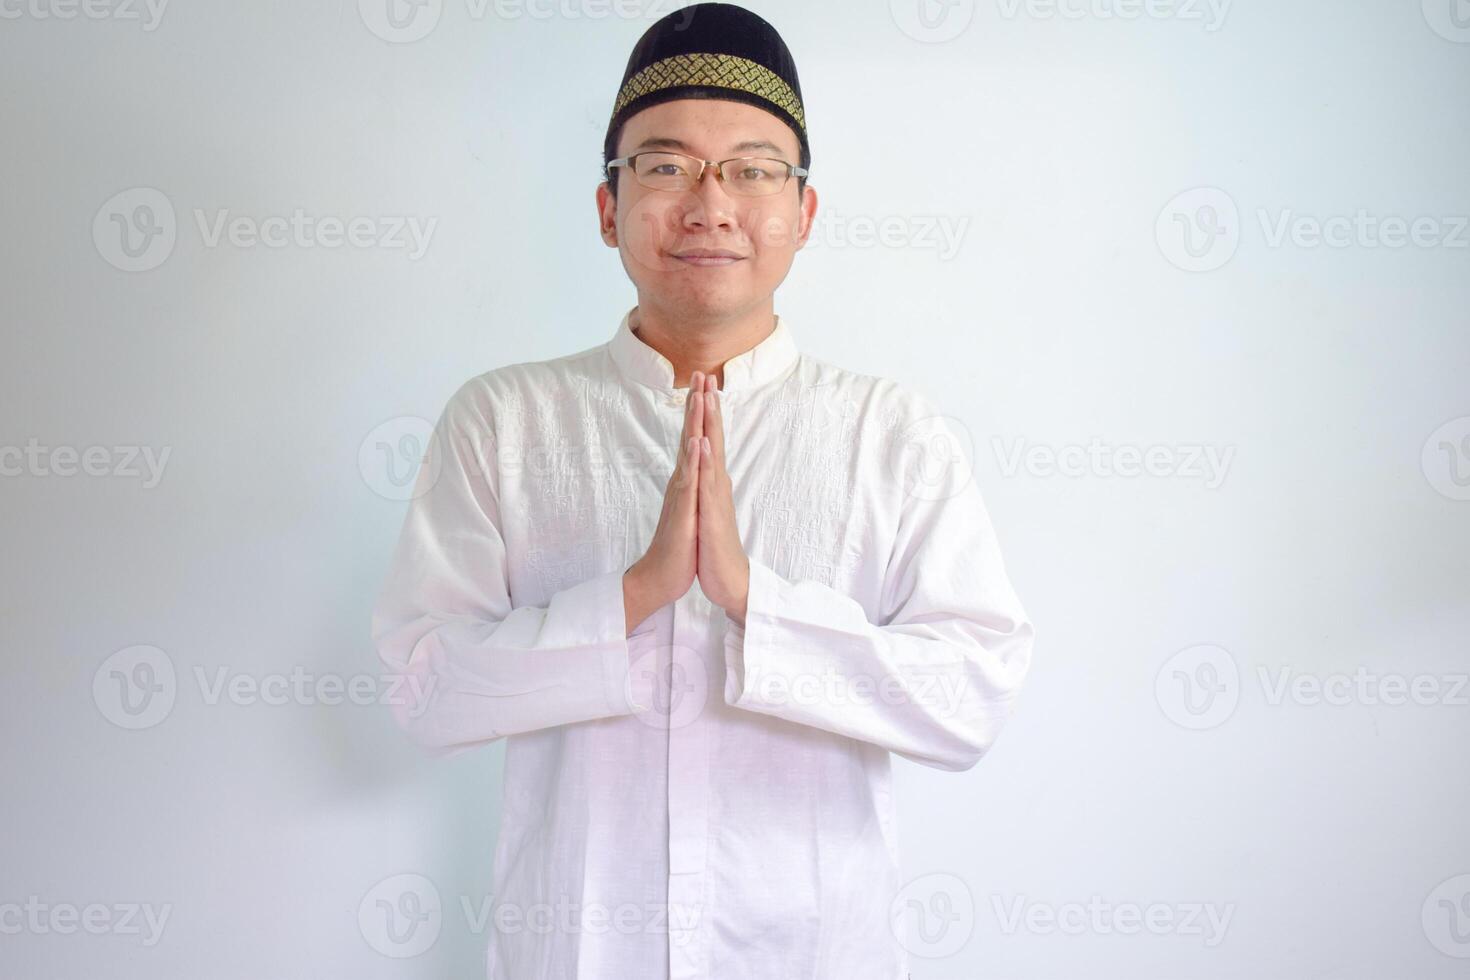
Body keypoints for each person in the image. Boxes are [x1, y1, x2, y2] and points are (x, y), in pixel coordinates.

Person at [370, 4, 1035, 978]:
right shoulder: (505, 420)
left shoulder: (889, 432)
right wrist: (632, 596)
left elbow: (974, 696)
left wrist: (751, 599)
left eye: (753, 168)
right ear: (608, 208)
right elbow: (424, 688)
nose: (710, 202)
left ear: (803, 212)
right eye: (667, 165)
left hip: (813, 953)